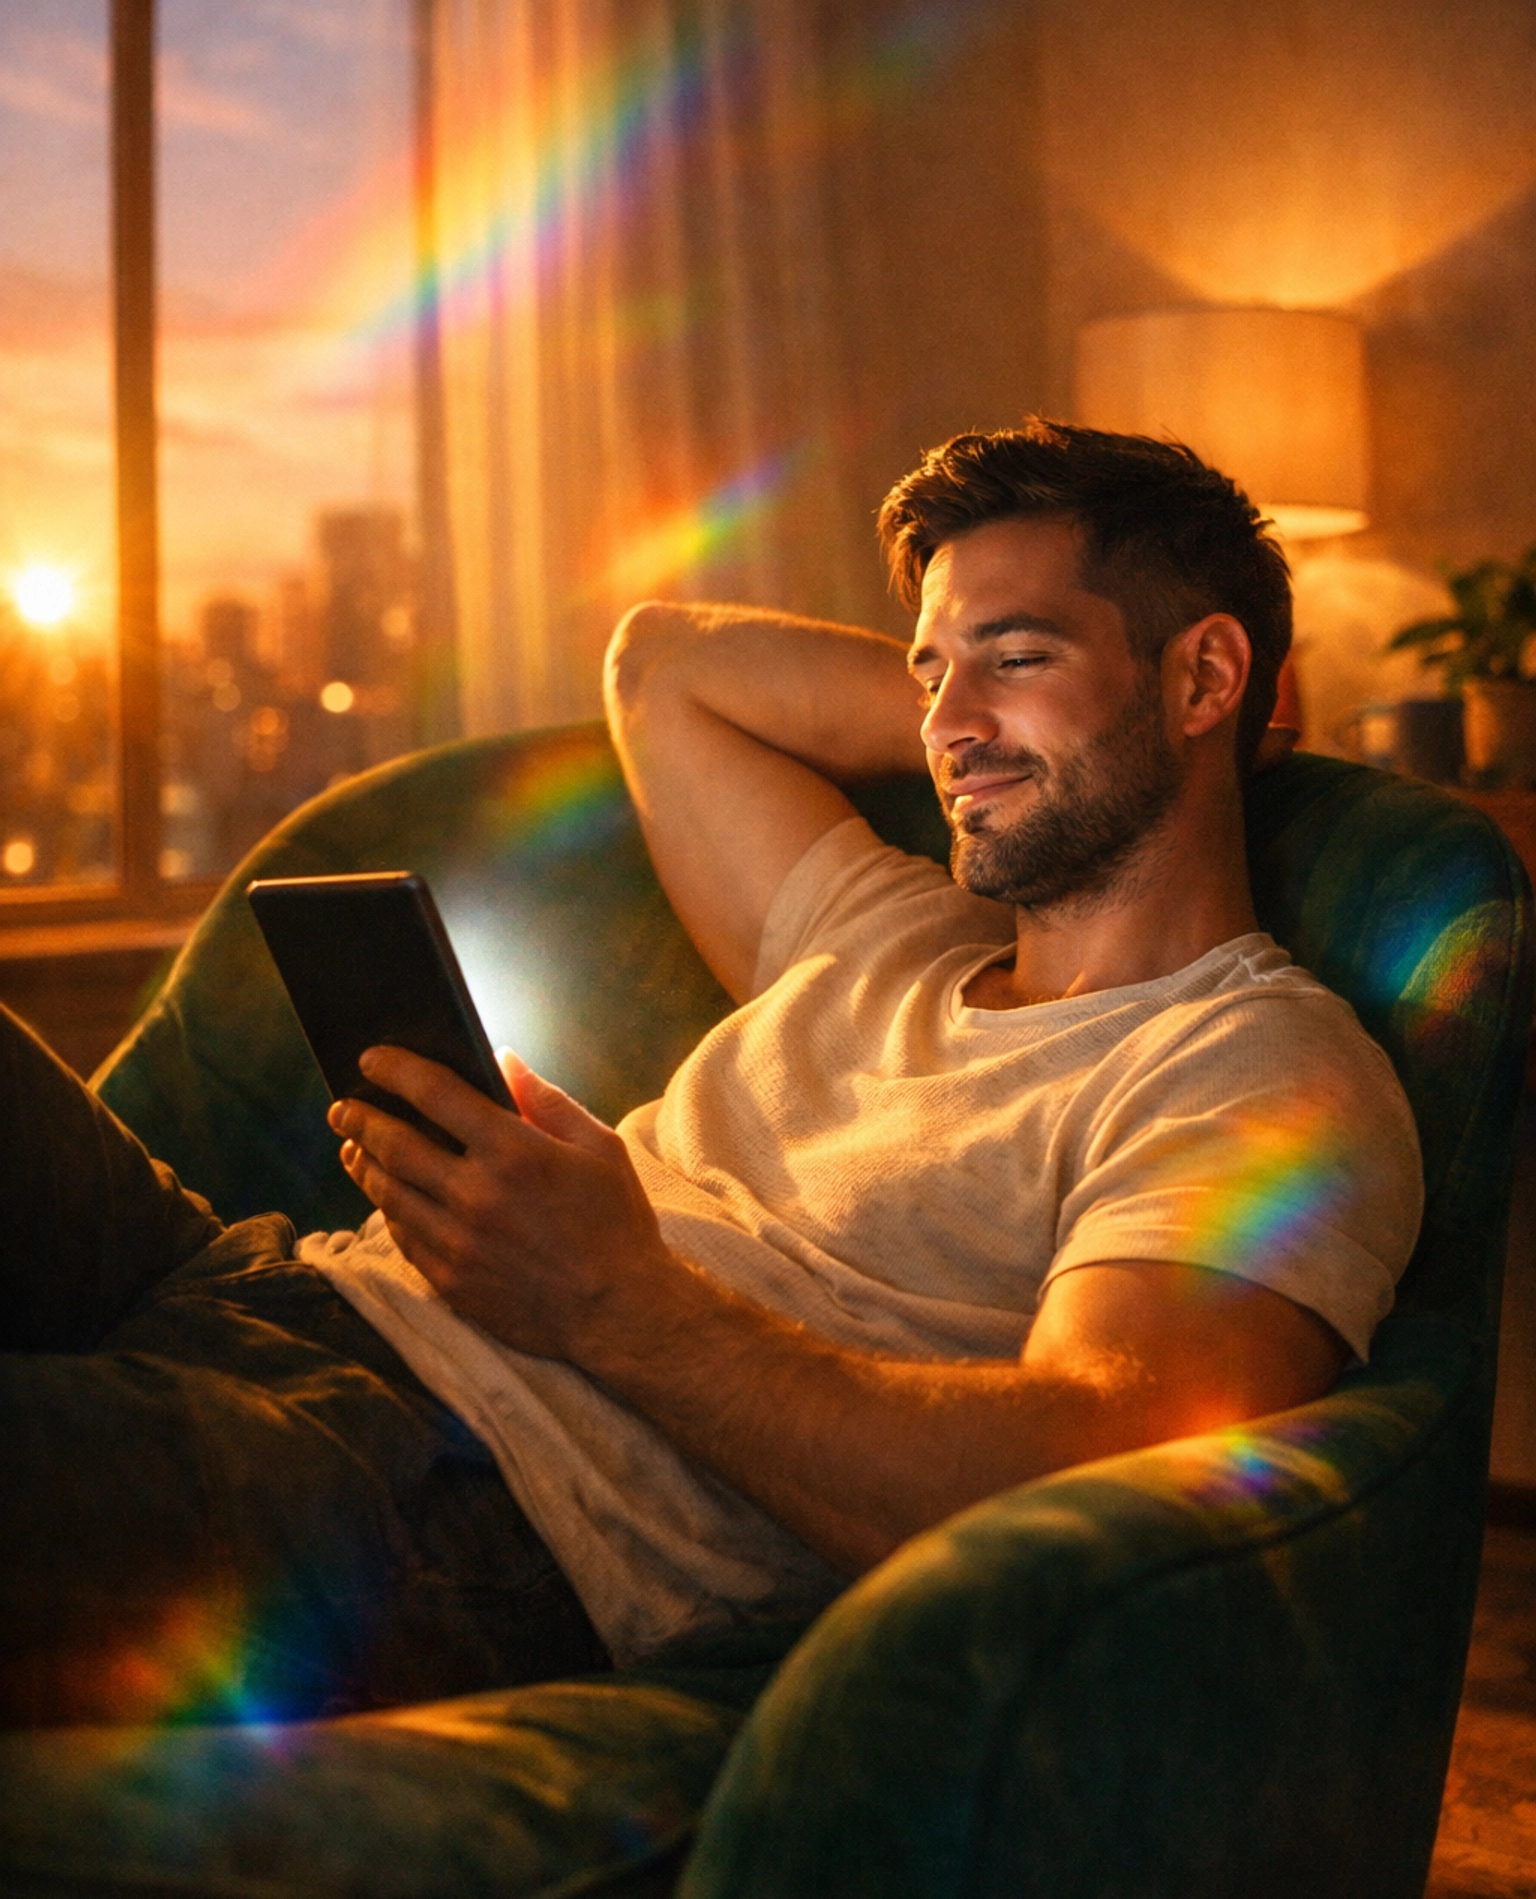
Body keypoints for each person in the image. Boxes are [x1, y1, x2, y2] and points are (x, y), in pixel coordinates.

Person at [1, 422, 1422, 1727]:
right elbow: (662, 662)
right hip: (253, 1289)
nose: (943, 721)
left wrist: (614, 1298)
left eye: (1019, 651)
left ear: (1207, 672)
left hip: (441, 1494)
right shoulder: (886, 924)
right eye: (932, 667)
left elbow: (1093, 1477)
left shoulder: (1252, 1070)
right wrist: (1023, 714)